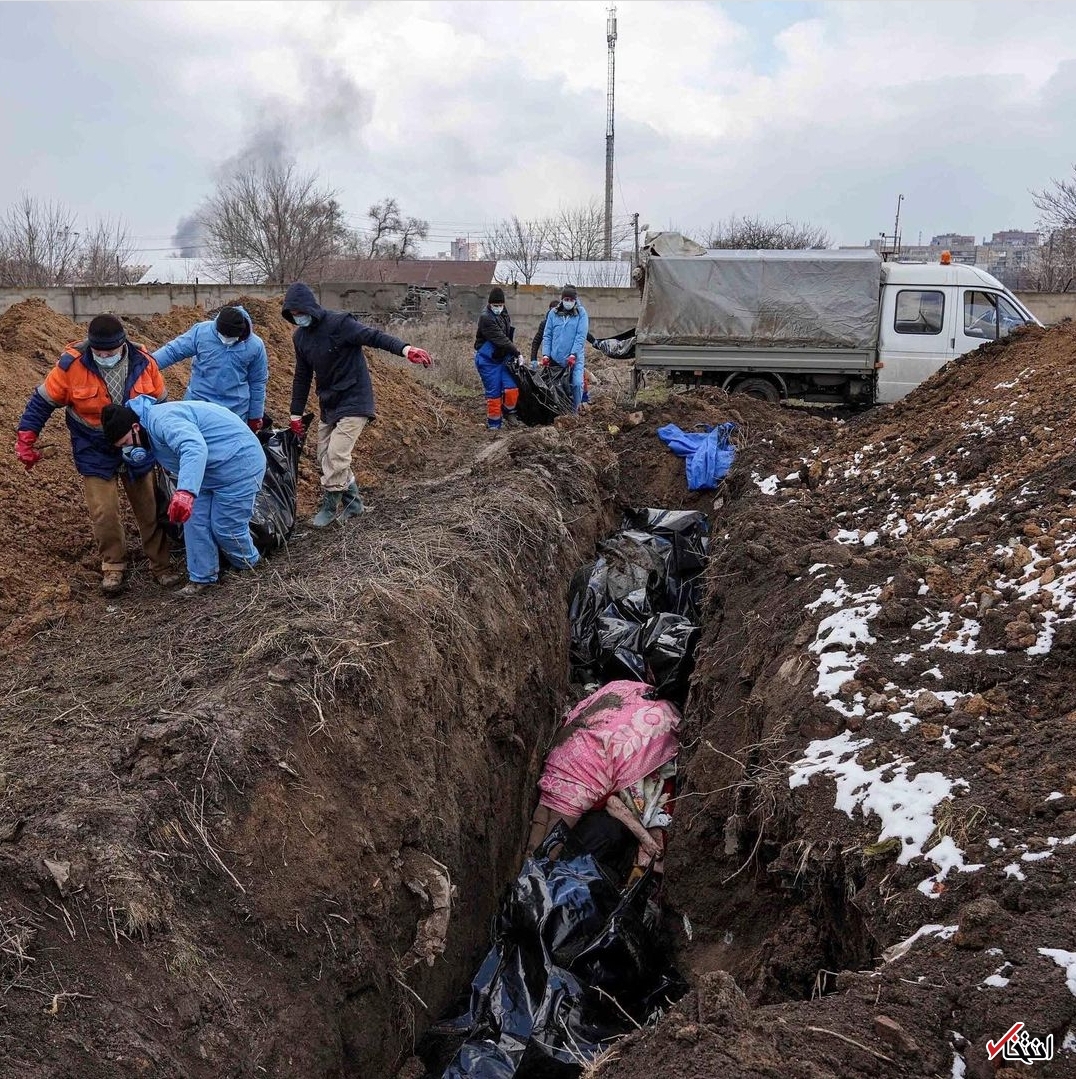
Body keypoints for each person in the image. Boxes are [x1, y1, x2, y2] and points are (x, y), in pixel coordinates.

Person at [15, 314, 179, 595]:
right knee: (103, 511)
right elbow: (42, 402)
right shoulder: (71, 365)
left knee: (149, 506)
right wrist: (27, 436)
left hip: (135, 442)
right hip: (94, 446)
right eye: (98, 352)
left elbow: (163, 406)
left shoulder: (144, 362)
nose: (104, 356)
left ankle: (161, 566)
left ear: (122, 344)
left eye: (110, 352)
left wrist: (167, 445)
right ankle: (113, 565)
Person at [282, 282, 433, 528]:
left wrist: (405, 349)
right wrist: (295, 414)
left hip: (354, 398)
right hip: (329, 402)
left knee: (337, 454)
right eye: (293, 315)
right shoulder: (300, 338)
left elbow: (374, 336)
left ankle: (329, 508)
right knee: (325, 458)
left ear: (310, 307)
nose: (298, 318)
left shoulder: (339, 324)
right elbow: (302, 376)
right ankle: (354, 506)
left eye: (301, 312)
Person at [101, 397, 266, 597]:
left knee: (226, 526)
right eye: (121, 447)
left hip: (238, 464)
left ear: (135, 427)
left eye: (126, 442)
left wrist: (185, 492)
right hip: (208, 471)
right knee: (194, 523)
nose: (128, 449)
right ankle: (202, 578)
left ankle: (251, 569)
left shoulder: (163, 421)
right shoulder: (147, 431)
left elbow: (194, 448)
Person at [152, 305, 269, 430]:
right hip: (198, 404)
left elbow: (257, 382)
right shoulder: (202, 332)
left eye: (231, 337)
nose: (226, 340)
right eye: (223, 335)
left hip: (234, 411)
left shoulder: (255, 346)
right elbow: (173, 351)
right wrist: (146, 365)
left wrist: (255, 416)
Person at [474, 286, 523, 430]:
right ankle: (494, 424)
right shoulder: (486, 318)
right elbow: (500, 338)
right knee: (494, 394)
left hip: (503, 357)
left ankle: (509, 412)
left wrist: (512, 353)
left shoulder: (504, 313)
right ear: (489, 304)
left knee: (512, 388)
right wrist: (517, 352)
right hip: (487, 360)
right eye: (495, 305)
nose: (498, 308)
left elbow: (507, 336)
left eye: (500, 305)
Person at [540, 285, 590, 412]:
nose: (568, 302)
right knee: (557, 387)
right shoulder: (553, 313)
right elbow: (547, 335)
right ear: (562, 300)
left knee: (577, 384)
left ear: (575, 300)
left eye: (571, 300)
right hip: (556, 359)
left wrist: (573, 354)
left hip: (575, 358)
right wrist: (546, 354)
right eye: (566, 299)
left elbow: (580, 336)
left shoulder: (581, 313)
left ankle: (575, 412)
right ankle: (559, 411)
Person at [530, 299, 558, 369]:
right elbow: (536, 341)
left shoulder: (564, 323)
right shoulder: (545, 324)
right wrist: (533, 359)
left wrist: (590, 340)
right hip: (549, 358)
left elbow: (580, 332)